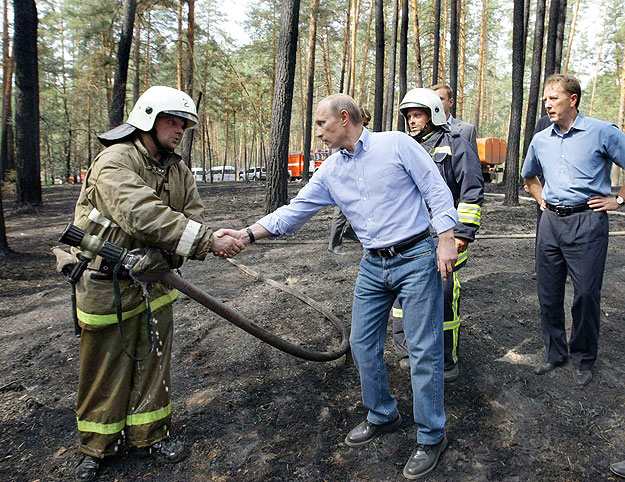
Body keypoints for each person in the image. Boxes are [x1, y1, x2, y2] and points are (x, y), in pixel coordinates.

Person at [231, 94, 458, 479]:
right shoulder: (330, 171)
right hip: (373, 264)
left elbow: (435, 189)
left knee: (423, 350)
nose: (317, 132)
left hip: (417, 256)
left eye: (321, 124)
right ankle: (383, 413)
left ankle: (432, 435)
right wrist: (246, 234)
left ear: (343, 117)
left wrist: (446, 238)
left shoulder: (396, 144)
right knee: (362, 345)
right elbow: (294, 213)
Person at [70, 86, 245, 481]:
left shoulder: (178, 170)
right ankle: (97, 446)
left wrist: (168, 256)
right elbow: (142, 213)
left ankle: (150, 435)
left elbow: (192, 216)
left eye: (184, 123)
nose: (180, 129)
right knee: (104, 369)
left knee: (154, 362)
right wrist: (205, 241)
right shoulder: (114, 161)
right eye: (172, 121)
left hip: (155, 284)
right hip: (105, 284)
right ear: (147, 119)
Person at [521, 73, 625, 386]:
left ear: (573, 99)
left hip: (588, 223)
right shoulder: (541, 139)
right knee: (548, 295)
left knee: (586, 296)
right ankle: (555, 353)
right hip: (550, 224)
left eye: (553, 98)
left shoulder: (602, 132)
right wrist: (543, 201)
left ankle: (583, 357)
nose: (547, 104)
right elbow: (529, 178)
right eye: (545, 99)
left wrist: (618, 199)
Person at [391, 88, 484, 382]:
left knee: (443, 297)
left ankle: (445, 359)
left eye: (417, 115)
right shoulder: (405, 146)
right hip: (408, 237)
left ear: (434, 114)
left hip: (444, 236)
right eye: (408, 116)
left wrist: (462, 234)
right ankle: (406, 351)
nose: (412, 121)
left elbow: (471, 192)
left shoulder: (456, 144)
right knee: (402, 297)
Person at [327, 106, 370, 255]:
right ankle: (334, 245)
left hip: (359, 181)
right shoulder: (341, 138)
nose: (364, 127)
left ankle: (351, 231)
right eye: (363, 123)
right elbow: (337, 162)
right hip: (344, 181)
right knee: (340, 214)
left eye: (366, 124)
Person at [431, 83, 478, 155]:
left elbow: (472, 162)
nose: (436, 102)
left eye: (440, 99)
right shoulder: (423, 130)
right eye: (433, 99)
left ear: (450, 102)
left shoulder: (467, 130)